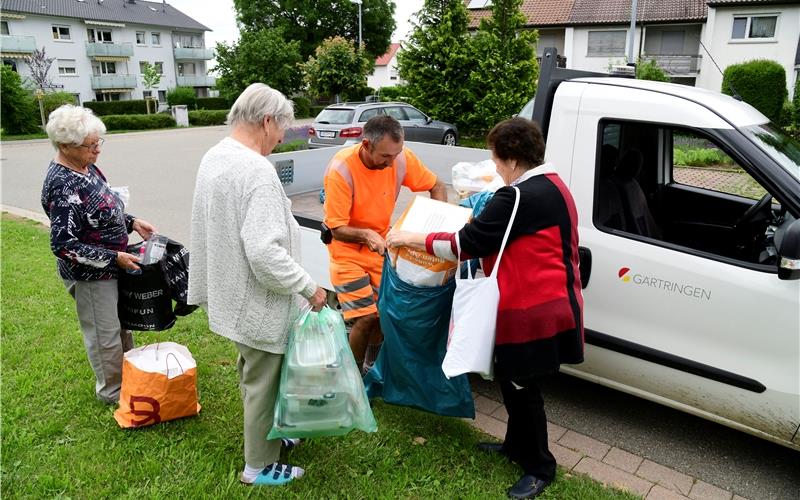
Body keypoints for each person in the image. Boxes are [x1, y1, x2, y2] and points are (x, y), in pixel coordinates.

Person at [387, 117, 584, 499]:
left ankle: (540, 467)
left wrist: (412, 237)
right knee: (512, 378)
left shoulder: (517, 196)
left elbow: (467, 243)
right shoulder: (553, 185)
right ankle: (514, 446)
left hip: (532, 309)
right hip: (553, 301)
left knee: (523, 387)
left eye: (495, 159)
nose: (493, 167)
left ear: (511, 160)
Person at [187, 83, 327, 487]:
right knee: (263, 382)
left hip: (231, 293)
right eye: (281, 131)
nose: (281, 140)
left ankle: (279, 431)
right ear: (267, 121)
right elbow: (265, 253)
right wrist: (309, 287)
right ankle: (260, 466)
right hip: (256, 300)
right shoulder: (257, 170)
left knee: (256, 373)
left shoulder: (217, 155)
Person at [40, 104, 157, 404]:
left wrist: (131, 221)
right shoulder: (62, 185)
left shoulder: (85, 166)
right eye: (90, 146)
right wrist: (112, 258)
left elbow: (104, 206)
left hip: (111, 265)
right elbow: (63, 244)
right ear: (65, 146)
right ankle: (112, 392)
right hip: (90, 275)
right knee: (105, 334)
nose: (97, 151)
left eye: (97, 143)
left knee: (121, 324)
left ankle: (128, 375)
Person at [323, 115, 447, 373]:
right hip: (346, 253)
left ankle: (372, 370)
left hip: (380, 250)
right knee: (365, 317)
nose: (392, 162)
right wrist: (368, 235)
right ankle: (353, 377)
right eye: (385, 157)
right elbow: (336, 228)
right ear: (366, 145)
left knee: (383, 314)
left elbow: (437, 185)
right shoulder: (341, 169)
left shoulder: (400, 157)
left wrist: (436, 230)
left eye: (396, 154)